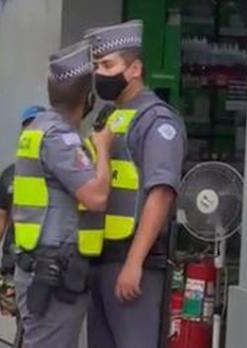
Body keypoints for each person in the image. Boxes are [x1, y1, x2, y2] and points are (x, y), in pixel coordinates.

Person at [83, 20, 186, 348]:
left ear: (135, 69)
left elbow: (161, 193)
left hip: (132, 263)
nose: (100, 73)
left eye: (109, 65)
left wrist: (134, 263)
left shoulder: (157, 121)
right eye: (97, 65)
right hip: (101, 261)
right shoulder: (111, 116)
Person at [12, 41, 114, 348]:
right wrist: (105, 150)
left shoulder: (38, 128)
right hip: (53, 270)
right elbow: (95, 197)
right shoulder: (60, 137)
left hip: (40, 264)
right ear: (88, 98)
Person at [0, 104, 44, 347]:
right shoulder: (10, 174)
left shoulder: (58, 172)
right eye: (28, 128)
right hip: (13, 264)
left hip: (45, 265)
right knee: (21, 323)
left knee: (34, 328)